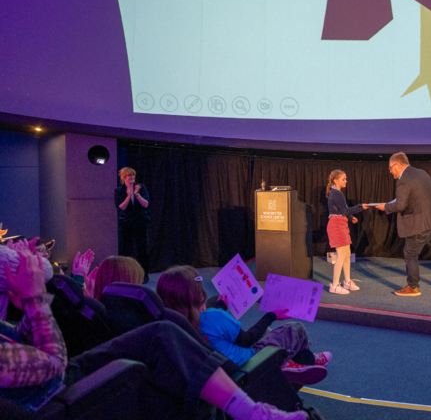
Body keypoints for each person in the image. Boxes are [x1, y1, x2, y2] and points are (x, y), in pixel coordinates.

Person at [0, 238, 307, 419]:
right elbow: (52, 365)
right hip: (57, 393)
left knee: (166, 327)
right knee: (165, 333)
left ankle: (254, 402)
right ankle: (252, 410)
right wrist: (33, 297)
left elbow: (26, 342)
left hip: (56, 379)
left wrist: (24, 299)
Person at [157, 266, 331, 385]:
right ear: (196, 296)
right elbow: (248, 339)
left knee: (267, 332)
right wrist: (272, 315)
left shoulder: (167, 324)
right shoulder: (212, 317)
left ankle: (294, 361)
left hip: (221, 371)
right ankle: (304, 360)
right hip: (248, 364)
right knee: (295, 330)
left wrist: (220, 306)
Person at [374, 152, 431, 296]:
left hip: (420, 225)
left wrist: (385, 207)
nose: (390, 172)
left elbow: (400, 205)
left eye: (391, 168)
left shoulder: (403, 180)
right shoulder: (422, 173)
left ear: (398, 164)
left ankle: (413, 287)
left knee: (410, 254)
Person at [326, 169, 367, 294]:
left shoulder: (336, 192)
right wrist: (360, 207)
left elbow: (341, 211)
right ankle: (334, 285)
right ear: (335, 180)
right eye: (343, 179)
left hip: (341, 223)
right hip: (337, 225)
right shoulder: (336, 193)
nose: (346, 181)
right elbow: (345, 210)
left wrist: (350, 217)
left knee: (347, 253)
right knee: (341, 255)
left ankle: (347, 281)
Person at [115, 167, 150, 283]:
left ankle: (144, 275)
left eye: (133, 176)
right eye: (130, 176)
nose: (132, 178)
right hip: (126, 224)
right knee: (126, 251)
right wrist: (129, 195)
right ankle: (127, 276)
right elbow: (121, 207)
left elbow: (145, 205)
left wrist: (136, 194)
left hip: (141, 223)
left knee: (142, 250)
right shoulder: (119, 190)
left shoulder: (141, 187)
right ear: (124, 177)